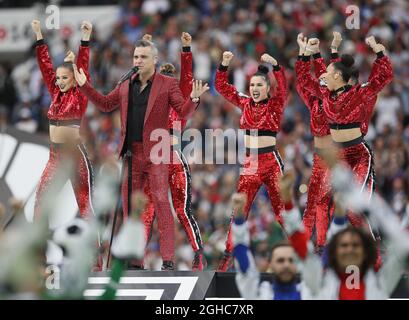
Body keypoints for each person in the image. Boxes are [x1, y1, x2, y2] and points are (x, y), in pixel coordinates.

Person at [73, 38, 209, 270]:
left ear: (154, 60)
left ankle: (168, 260)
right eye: (136, 57)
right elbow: (106, 104)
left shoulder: (167, 84)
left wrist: (194, 98)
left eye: (143, 57)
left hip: (157, 151)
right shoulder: (126, 85)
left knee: (160, 202)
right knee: (130, 208)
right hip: (131, 154)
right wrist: (85, 85)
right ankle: (135, 261)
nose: (138, 61)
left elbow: (182, 110)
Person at [296, 36, 393, 240]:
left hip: (358, 154)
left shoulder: (359, 93)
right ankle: (361, 243)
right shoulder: (325, 94)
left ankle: (374, 242)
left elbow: (383, 78)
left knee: (354, 206)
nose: (323, 76)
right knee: (337, 206)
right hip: (338, 156)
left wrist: (379, 52)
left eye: (328, 74)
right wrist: (305, 53)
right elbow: (304, 80)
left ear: (338, 77)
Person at [282, 164, 409, 300]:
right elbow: (302, 248)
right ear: (334, 251)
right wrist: (287, 202)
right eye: (344, 245)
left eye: (355, 245)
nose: (350, 250)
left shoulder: (382, 283)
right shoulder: (319, 283)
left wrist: (361, 204)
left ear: (366, 251)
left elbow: (403, 246)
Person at [215, 51, 288, 271]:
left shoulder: (275, 104)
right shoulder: (245, 102)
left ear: (267, 88)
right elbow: (222, 87)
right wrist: (224, 64)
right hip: (250, 163)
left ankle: (303, 252)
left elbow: (283, 88)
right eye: (252, 85)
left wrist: (276, 66)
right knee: (239, 212)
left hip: (270, 161)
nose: (255, 88)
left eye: (259, 85)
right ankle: (227, 258)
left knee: (281, 212)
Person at [141, 33, 205, 271]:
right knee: (149, 211)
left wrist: (186, 48)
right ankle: (140, 259)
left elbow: (187, 78)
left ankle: (197, 254)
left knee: (181, 209)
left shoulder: (178, 97)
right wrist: (147, 45)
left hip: (173, 155)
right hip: (154, 157)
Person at [31, 20, 95, 221]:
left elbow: (83, 67)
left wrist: (85, 40)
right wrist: (39, 36)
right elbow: (46, 67)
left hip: (74, 155)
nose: (58, 82)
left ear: (74, 79)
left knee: (84, 205)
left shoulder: (80, 95)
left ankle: (97, 252)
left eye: (64, 79)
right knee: (41, 202)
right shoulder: (56, 93)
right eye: (58, 79)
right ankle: (38, 253)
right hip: (55, 156)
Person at [232, 192, 309, 299]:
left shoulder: (309, 293)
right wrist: (239, 216)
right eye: (280, 260)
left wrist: (288, 204)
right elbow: (245, 270)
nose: (286, 265)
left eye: (291, 260)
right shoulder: (261, 295)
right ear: (271, 265)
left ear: (297, 265)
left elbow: (306, 252)